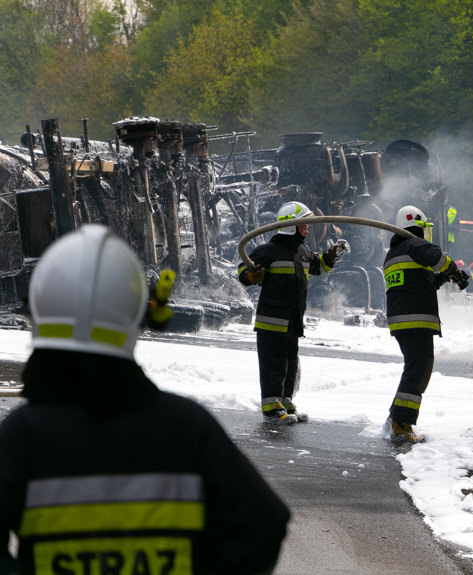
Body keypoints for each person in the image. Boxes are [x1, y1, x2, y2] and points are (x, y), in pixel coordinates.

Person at [0, 224, 290, 574]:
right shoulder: (187, 428)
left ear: (41, 312)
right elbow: (264, 526)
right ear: (137, 315)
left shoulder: (21, 436)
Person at [238, 201, 343, 423]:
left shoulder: (302, 252)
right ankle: (271, 409)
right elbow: (243, 269)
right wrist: (251, 275)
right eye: (303, 225)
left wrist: (332, 256)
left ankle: (285, 401)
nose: (307, 229)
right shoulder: (269, 251)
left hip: (292, 321)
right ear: (290, 226)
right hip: (272, 321)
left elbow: (319, 267)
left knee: (290, 364)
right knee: (273, 364)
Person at [382, 205, 467, 443]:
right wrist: (453, 270)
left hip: (401, 319)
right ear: (418, 227)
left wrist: (441, 277)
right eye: (424, 229)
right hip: (415, 317)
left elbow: (420, 282)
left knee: (414, 367)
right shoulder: (415, 245)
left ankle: (396, 417)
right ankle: (401, 423)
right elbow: (437, 257)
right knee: (418, 369)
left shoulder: (395, 252)